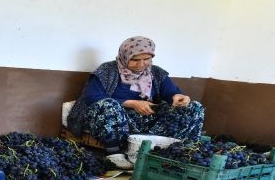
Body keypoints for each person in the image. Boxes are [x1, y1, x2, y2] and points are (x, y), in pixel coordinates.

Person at [67, 36, 204, 155]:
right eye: (135, 59)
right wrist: (131, 103)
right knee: (108, 105)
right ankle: (115, 153)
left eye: (147, 59)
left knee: (194, 107)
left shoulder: (156, 73)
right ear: (125, 56)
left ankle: (177, 150)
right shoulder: (107, 70)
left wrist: (178, 97)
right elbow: (92, 97)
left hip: (147, 120)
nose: (141, 64)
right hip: (116, 121)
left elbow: (170, 93)